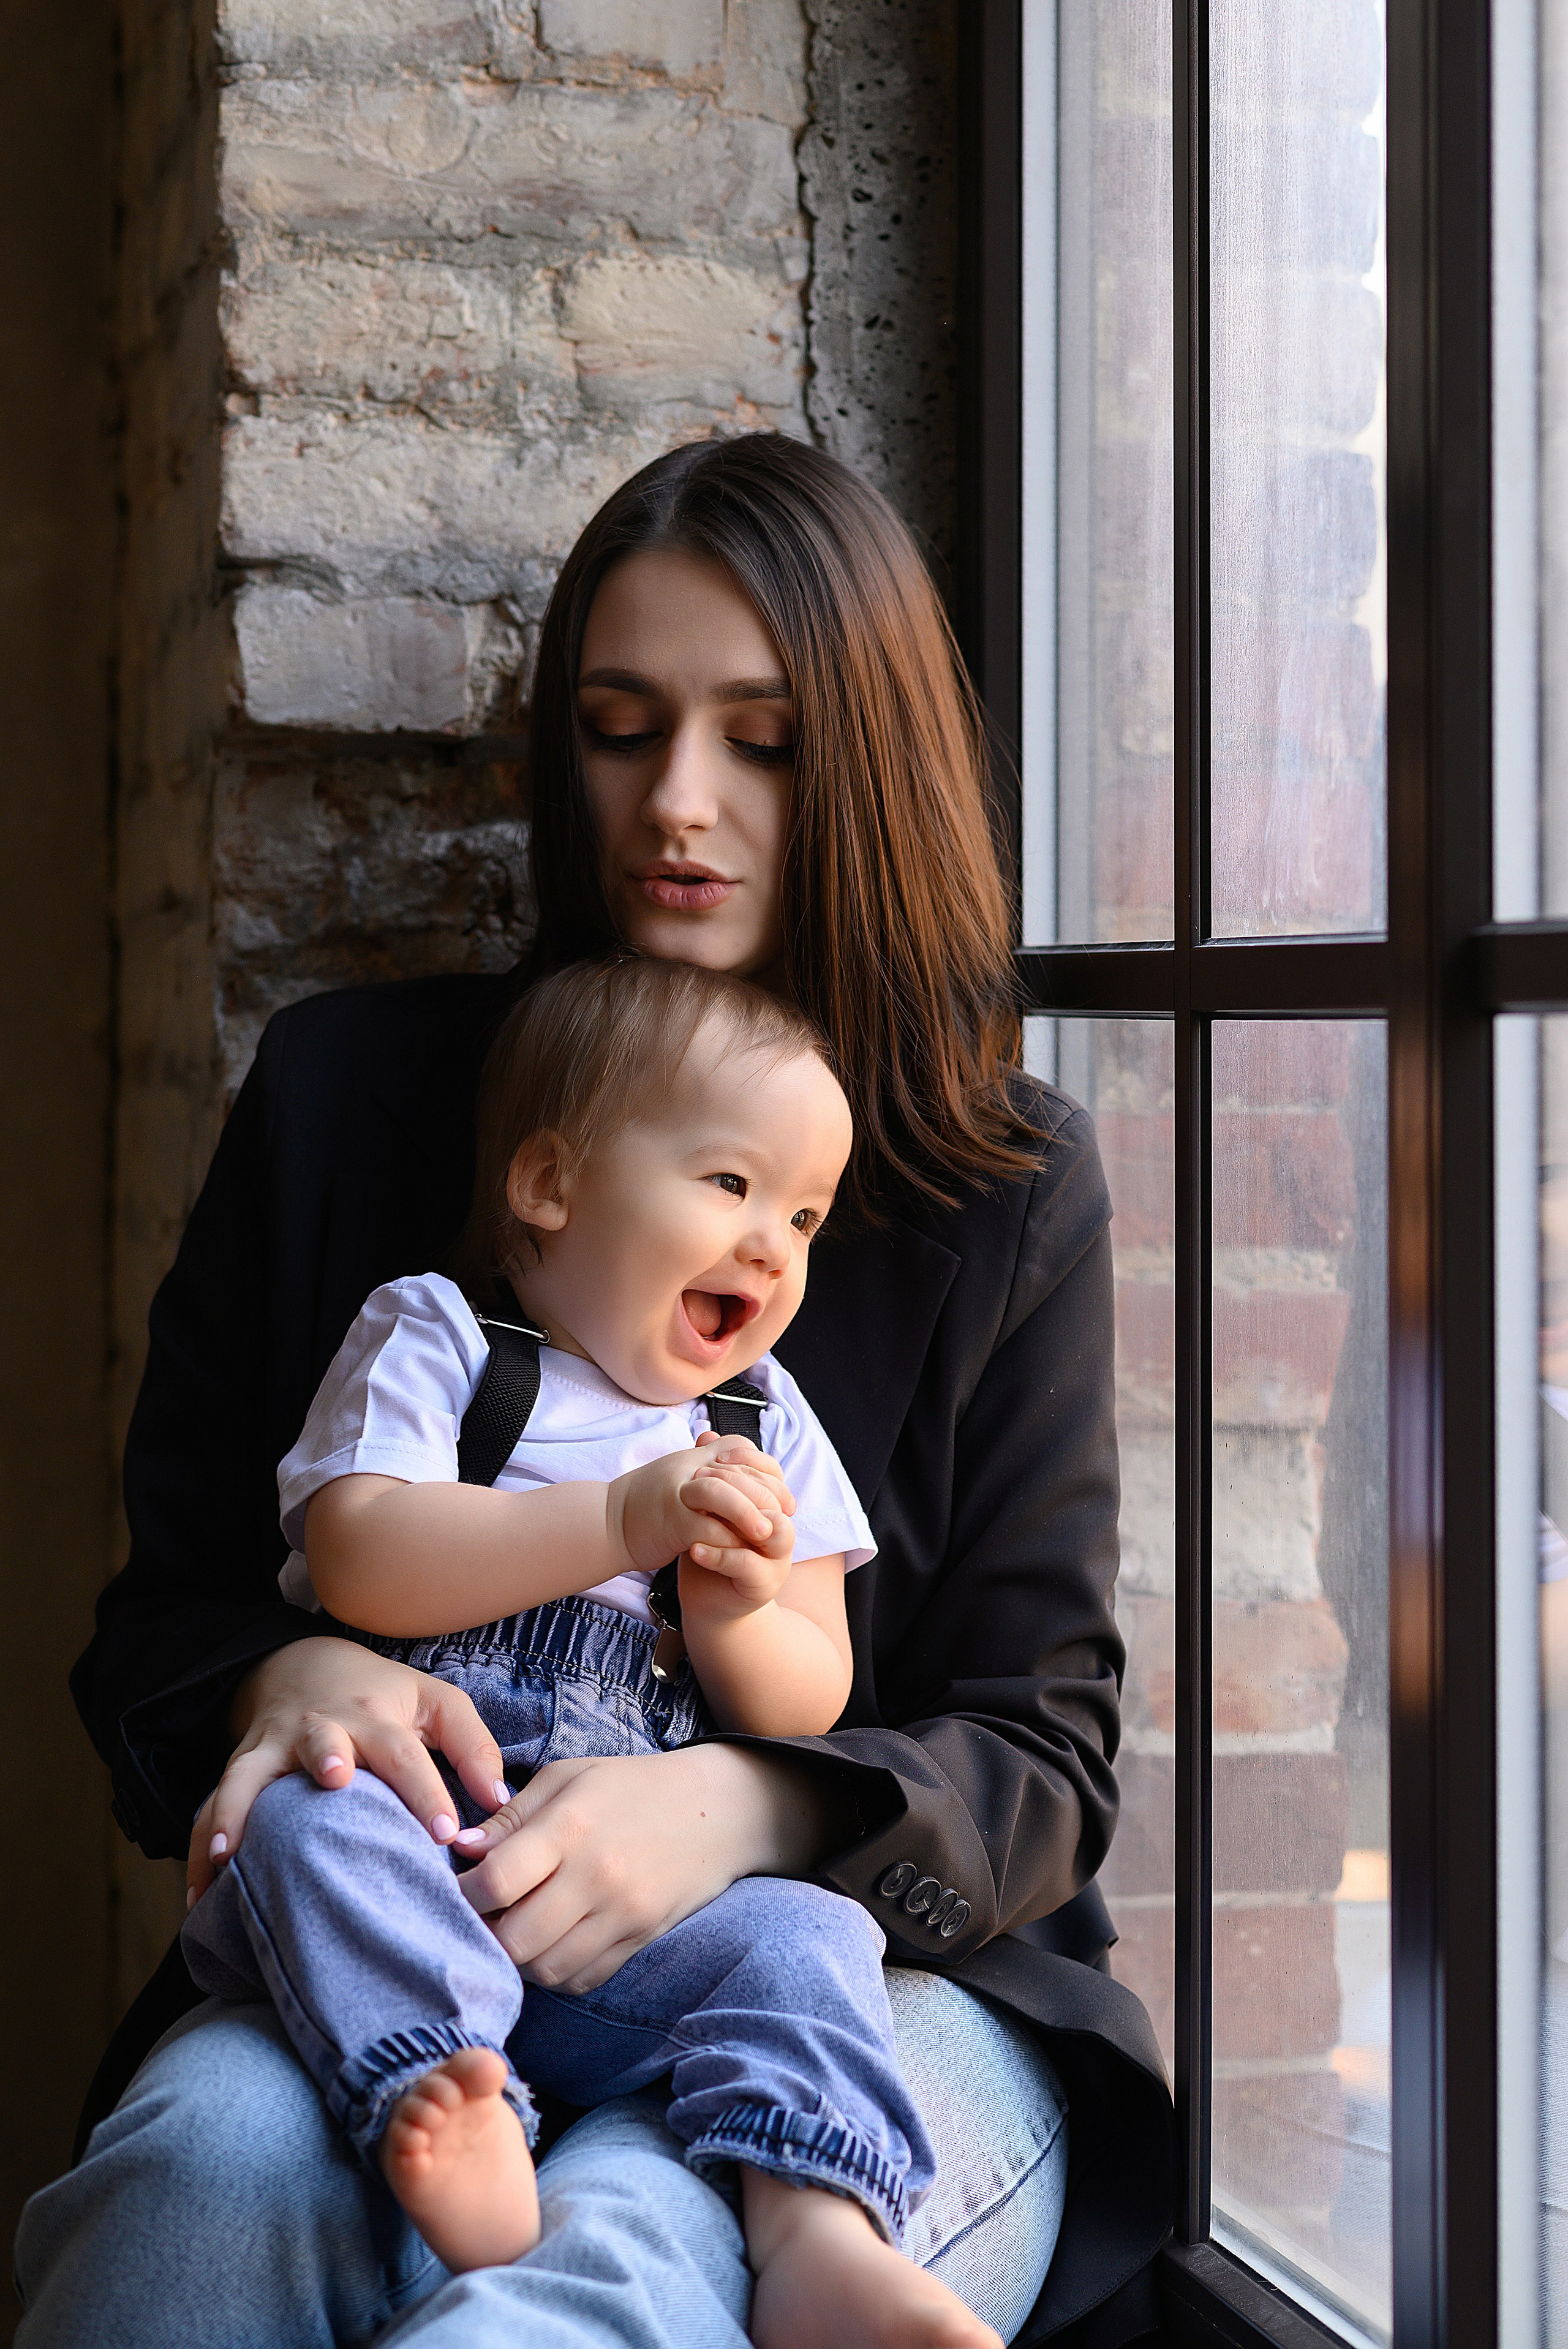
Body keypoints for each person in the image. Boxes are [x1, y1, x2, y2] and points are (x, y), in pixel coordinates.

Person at [17, 433, 1175, 2349]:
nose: (679, 806)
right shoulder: (348, 1101)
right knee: (195, 2180)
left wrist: (739, 1804)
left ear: (866, 763)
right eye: (624, 730)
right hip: (421, 1941)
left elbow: (1046, 1760)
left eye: (764, 740)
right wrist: (285, 1672)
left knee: (632, 2238)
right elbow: (151, 1631)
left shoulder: (1003, 1185)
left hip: (864, 1979)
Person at [183, 953, 993, 2349]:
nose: (772, 1248)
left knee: (812, 1930)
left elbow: (817, 1690)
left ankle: (811, 2226)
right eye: (731, 1186)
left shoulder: (760, 1418)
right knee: (308, 1826)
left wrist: (734, 1606)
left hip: (638, 1911)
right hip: (421, 1835)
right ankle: (447, 2093)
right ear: (551, 1185)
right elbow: (362, 1553)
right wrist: (620, 1516)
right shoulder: (439, 1336)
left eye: (801, 1217)